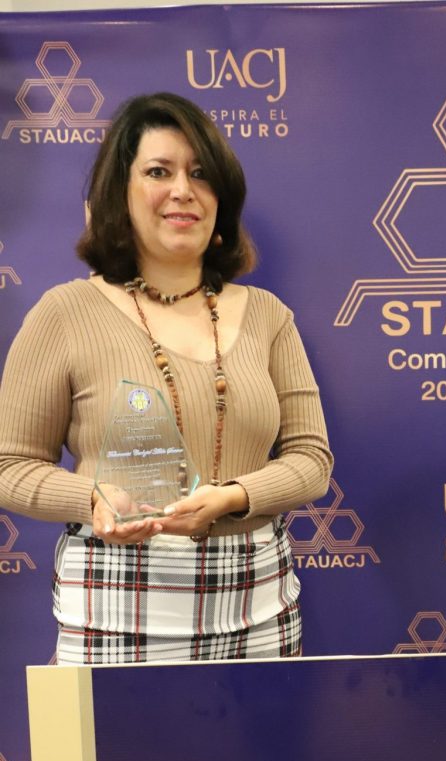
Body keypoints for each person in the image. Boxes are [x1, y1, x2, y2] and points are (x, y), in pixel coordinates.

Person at [0, 92, 332, 664]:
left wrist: (234, 496)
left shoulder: (269, 316)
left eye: (200, 174)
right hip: (114, 607)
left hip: (260, 607)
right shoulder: (64, 313)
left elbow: (312, 461)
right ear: (120, 194)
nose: (183, 190)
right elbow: (10, 466)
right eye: (159, 172)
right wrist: (92, 497)